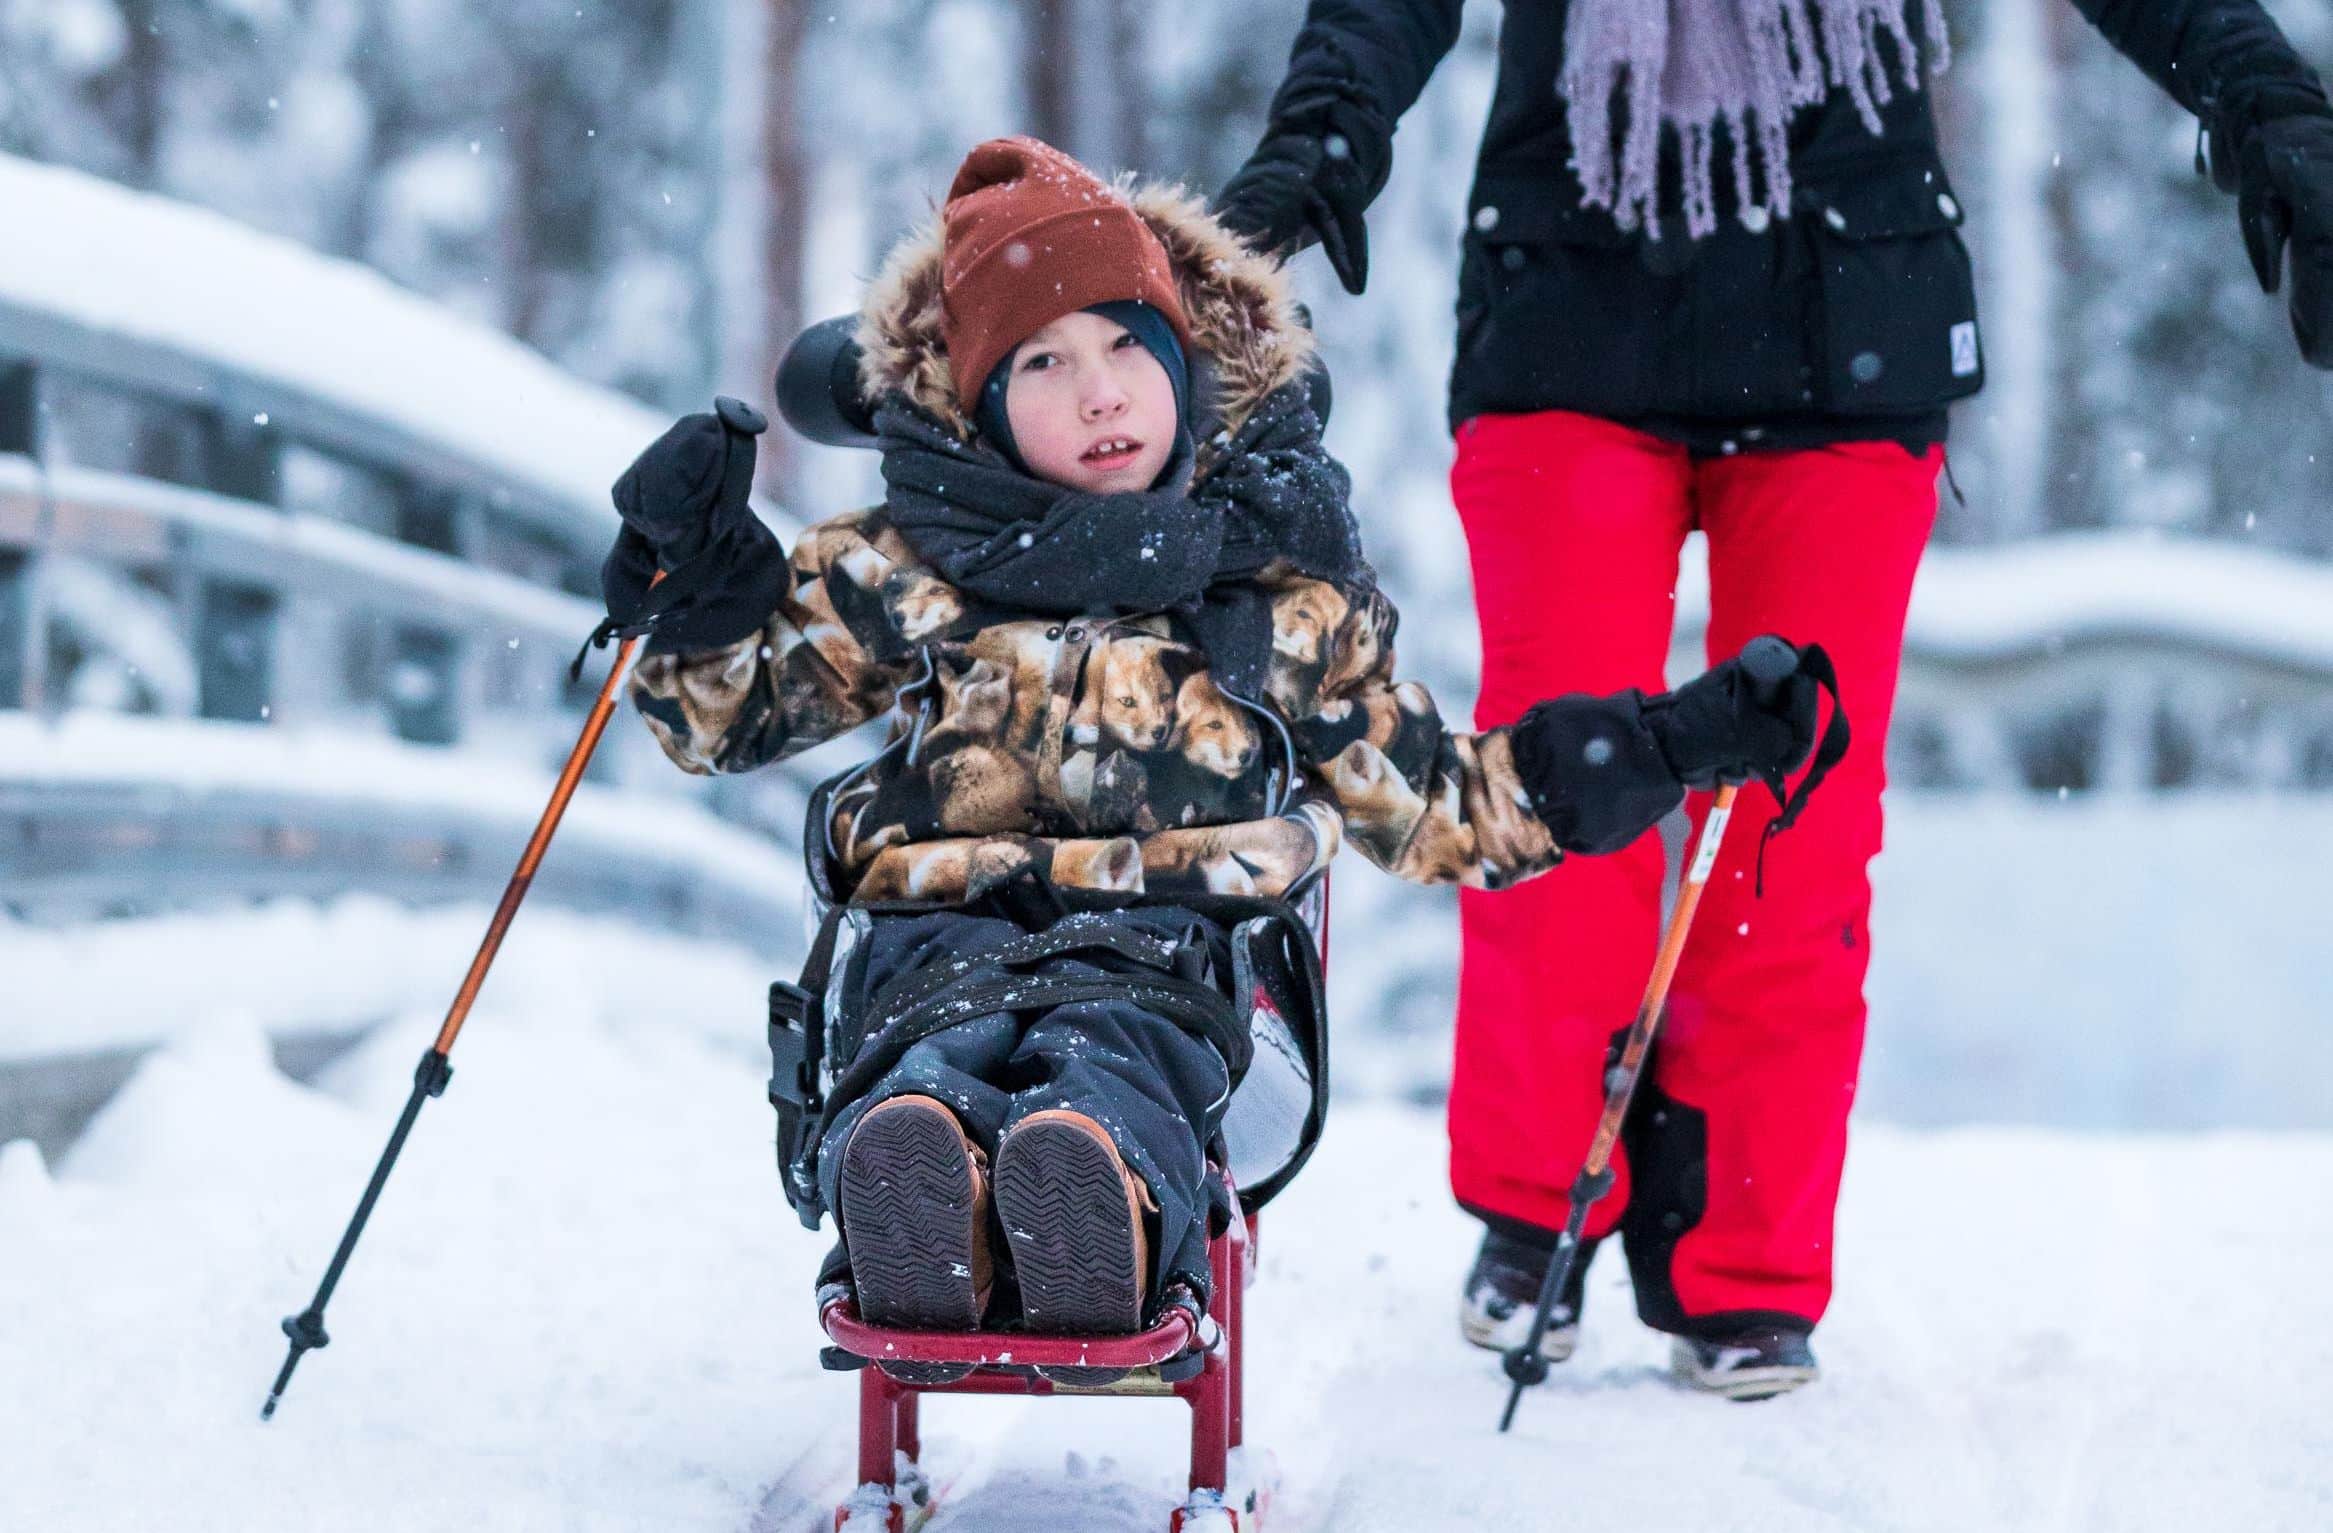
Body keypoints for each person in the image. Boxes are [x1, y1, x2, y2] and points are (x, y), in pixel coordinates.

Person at [1214, 0, 2333, 1399]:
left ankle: (1745, 1257)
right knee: (1551, 790)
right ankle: (1535, 1204)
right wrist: (1323, 134)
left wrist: (2262, 99)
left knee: (1794, 826)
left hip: (1848, 311)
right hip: (1571, 307)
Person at [595, 136, 1822, 1373]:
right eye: (1043, 362)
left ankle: (1094, 1201)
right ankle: (915, 1193)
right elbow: (718, 722)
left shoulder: (1271, 593)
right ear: (975, 405)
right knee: (923, 1055)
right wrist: (696, 590)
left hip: (1180, 950)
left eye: (1129, 344)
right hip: (934, 931)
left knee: (1109, 1058)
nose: (1102, 394)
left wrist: (1670, 743)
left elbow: (1440, 806)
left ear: (1185, 360)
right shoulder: (900, 567)